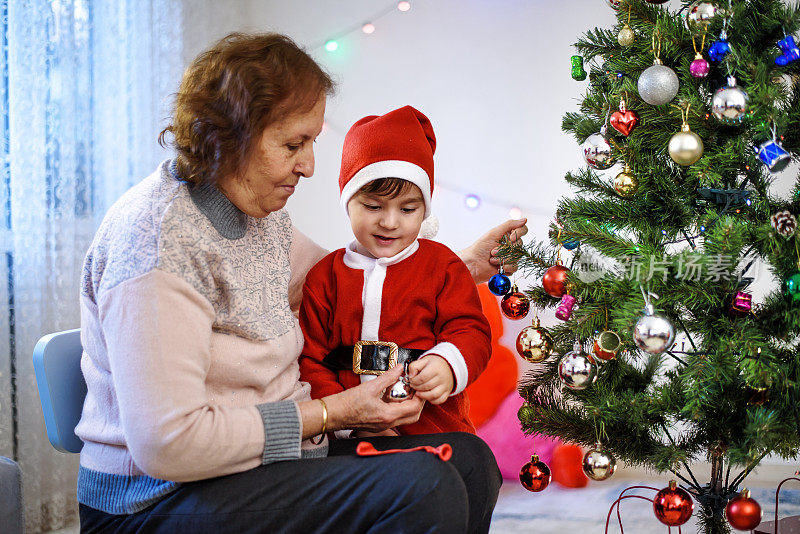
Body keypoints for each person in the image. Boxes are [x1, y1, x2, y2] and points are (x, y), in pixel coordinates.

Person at [76, 32, 527, 533]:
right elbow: (170, 444)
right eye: (293, 144)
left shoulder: (258, 216)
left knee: (469, 462)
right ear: (229, 137)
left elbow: (345, 286)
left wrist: (458, 268)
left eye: (311, 142)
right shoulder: (157, 244)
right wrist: (330, 413)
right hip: (157, 499)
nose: (309, 166)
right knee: (424, 484)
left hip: (265, 463)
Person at [299, 105, 492, 438]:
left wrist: (448, 363)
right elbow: (310, 360)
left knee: (475, 466)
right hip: (353, 441)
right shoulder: (325, 277)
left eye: (407, 209)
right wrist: (349, 420)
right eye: (373, 206)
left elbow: (471, 330)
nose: (389, 222)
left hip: (434, 431)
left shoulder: (442, 266)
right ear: (348, 202)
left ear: (425, 208)